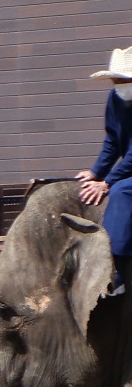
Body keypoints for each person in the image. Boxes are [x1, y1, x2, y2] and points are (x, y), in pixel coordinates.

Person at [75, 48, 132, 288]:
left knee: (121, 192)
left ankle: (115, 269)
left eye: (123, 79)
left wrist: (107, 182)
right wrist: (95, 171)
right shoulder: (115, 99)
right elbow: (112, 140)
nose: (118, 84)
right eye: (115, 80)